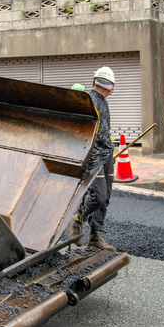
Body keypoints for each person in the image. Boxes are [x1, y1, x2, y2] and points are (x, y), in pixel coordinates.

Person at [71, 67, 116, 251]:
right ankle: (77, 218)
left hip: (106, 153)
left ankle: (96, 237)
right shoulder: (88, 100)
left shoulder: (100, 101)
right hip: (94, 155)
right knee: (99, 196)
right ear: (111, 88)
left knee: (105, 198)